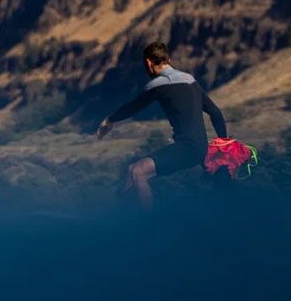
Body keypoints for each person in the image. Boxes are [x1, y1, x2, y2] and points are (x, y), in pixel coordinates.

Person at [96, 40, 228, 206]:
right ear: (168, 60)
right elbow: (215, 112)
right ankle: (122, 211)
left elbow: (132, 107)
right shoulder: (190, 80)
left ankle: (149, 220)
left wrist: (110, 120)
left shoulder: (158, 84)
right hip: (202, 148)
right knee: (131, 173)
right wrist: (224, 144)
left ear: (148, 63)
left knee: (137, 171)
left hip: (187, 148)